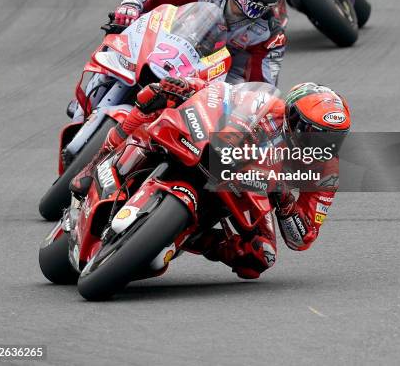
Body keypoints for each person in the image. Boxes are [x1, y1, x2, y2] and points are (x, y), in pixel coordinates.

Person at [72, 78, 350, 280]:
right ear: (292, 117)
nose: (320, 144)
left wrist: (285, 200)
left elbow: (302, 239)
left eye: (332, 138)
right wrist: (186, 86)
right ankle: (98, 162)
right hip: (212, 149)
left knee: (261, 257)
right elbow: (221, 93)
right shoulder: (267, 105)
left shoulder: (326, 173)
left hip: (247, 191)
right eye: (312, 132)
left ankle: (189, 237)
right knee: (151, 97)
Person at [114, 0, 290, 85]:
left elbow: (262, 87)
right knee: (115, 46)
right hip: (164, 53)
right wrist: (132, 4)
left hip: (208, 87)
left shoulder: (271, 35)